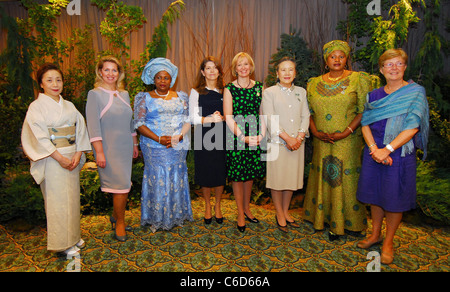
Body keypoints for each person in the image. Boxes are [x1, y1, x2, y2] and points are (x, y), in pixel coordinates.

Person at [356, 49, 429, 265]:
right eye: (389, 64)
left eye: (398, 63)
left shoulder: (415, 93)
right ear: (381, 70)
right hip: (373, 152)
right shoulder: (374, 95)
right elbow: (365, 124)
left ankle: (388, 242)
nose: (394, 68)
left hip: (399, 154)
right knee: (375, 195)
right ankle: (375, 234)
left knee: (394, 199)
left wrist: (387, 150)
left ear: (405, 67)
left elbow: (413, 127)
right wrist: (374, 149)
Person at [303, 40, 372, 240]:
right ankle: (321, 219)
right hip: (321, 139)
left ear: (346, 59)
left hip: (347, 140)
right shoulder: (313, 82)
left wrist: (346, 132)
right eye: (333, 56)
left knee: (345, 179)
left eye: (341, 56)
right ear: (326, 60)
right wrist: (315, 132)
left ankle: (349, 223)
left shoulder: (358, 79)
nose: (337, 59)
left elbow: (363, 110)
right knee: (323, 175)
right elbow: (308, 111)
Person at [21, 63, 91, 256]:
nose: (55, 84)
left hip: (71, 158)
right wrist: (59, 157)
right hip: (52, 158)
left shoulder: (69, 106)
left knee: (72, 199)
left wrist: (77, 154)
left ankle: (73, 236)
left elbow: (80, 129)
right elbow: (38, 136)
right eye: (49, 80)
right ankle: (62, 243)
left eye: (58, 79)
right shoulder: (36, 107)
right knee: (57, 201)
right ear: (41, 84)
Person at [134, 57, 193, 233]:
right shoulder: (144, 98)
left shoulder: (182, 96)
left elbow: (187, 119)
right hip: (153, 146)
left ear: (171, 79)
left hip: (177, 145)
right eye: (159, 77)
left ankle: (176, 215)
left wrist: (179, 136)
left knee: (176, 175)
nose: (162, 81)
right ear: (153, 79)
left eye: (166, 77)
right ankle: (157, 217)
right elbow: (139, 123)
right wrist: (158, 139)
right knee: (157, 178)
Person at [86, 56, 139, 242]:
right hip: (108, 149)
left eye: (114, 70)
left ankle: (116, 216)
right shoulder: (94, 94)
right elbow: (93, 125)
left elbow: (130, 123)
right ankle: (120, 222)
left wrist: (135, 144)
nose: (110, 73)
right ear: (100, 72)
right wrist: (98, 151)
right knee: (122, 188)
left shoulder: (124, 94)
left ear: (119, 73)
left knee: (122, 186)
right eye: (106, 70)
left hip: (125, 148)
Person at [261, 57, 310, 232]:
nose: (287, 73)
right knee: (277, 179)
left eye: (291, 70)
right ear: (277, 73)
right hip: (278, 143)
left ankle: (286, 210)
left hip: (297, 143)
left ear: (295, 73)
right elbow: (269, 118)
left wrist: (300, 136)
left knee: (290, 179)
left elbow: (306, 115)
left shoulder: (302, 92)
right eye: (283, 70)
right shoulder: (270, 92)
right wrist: (287, 138)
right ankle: (279, 213)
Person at [223, 52, 266, 232]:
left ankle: (247, 208)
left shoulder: (260, 87)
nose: (243, 68)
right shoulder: (229, 89)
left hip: (256, 136)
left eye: (246, 64)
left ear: (251, 67)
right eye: (239, 65)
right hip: (236, 136)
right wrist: (242, 137)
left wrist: (262, 135)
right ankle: (240, 213)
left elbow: (263, 113)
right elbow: (228, 116)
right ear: (235, 69)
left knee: (249, 175)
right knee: (238, 176)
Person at [189, 57, 226, 224]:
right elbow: (193, 118)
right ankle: (207, 206)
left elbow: (231, 114)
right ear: (203, 72)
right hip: (203, 137)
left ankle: (218, 205)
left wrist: (224, 117)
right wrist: (210, 119)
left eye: (215, 68)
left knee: (219, 172)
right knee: (205, 172)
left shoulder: (226, 91)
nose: (212, 71)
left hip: (222, 136)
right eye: (208, 68)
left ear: (219, 71)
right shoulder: (196, 92)